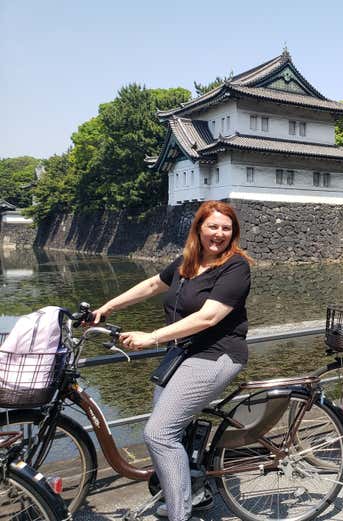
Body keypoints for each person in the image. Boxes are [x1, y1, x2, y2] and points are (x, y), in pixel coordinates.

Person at [92, 201, 254, 521]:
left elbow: (209, 317)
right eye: (212, 226)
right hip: (181, 354)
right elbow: (153, 284)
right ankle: (188, 489)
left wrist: (152, 337)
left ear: (233, 233)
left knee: (159, 433)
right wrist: (109, 306)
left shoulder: (236, 266)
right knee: (167, 431)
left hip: (216, 354)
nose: (219, 234)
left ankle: (181, 514)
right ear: (199, 228)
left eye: (226, 228)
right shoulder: (188, 261)